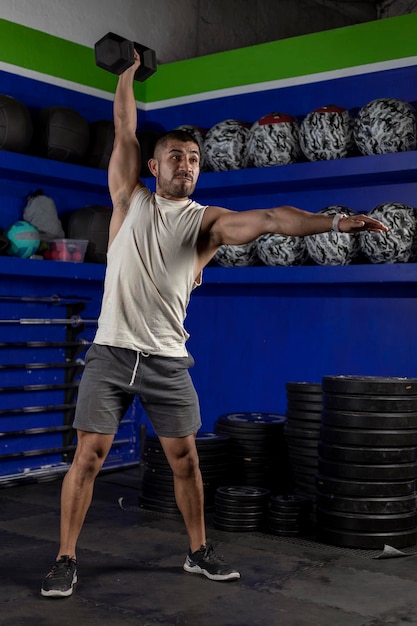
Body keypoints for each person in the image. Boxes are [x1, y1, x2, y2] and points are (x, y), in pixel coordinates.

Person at [40, 51, 388, 598]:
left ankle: (198, 551)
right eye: (175, 156)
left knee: (185, 459)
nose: (186, 164)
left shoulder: (208, 225)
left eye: (194, 158)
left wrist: (337, 221)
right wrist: (127, 75)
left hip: (167, 359)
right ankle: (65, 558)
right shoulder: (128, 199)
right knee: (88, 456)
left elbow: (275, 219)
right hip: (111, 352)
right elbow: (125, 127)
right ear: (153, 167)